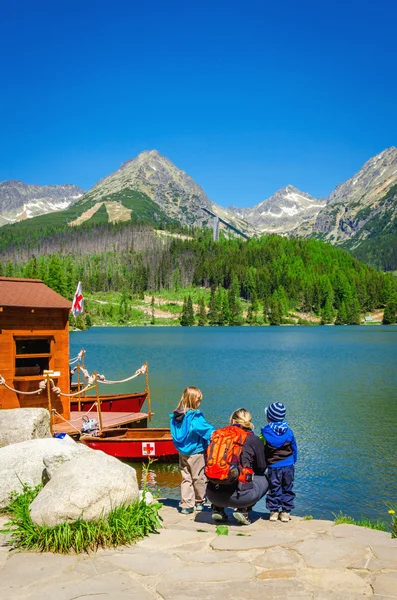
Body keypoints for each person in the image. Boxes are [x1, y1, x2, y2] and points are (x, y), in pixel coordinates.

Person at [206, 408, 268, 525]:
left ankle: (218, 508)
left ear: (232, 421)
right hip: (240, 498)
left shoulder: (219, 437)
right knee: (264, 478)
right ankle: (243, 510)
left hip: (212, 494)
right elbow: (261, 467)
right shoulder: (253, 439)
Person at [170, 386, 215, 514]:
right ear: (194, 400)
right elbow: (206, 430)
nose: (200, 403)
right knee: (198, 477)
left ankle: (186, 504)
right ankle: (200, 502)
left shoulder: (176, 416)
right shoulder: (195, 417)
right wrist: (216, 434)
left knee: (186, 478)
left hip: (182, 452)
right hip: (196, 452)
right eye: (199, 400)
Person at [260, 402, 298, 523]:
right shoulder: (289, 432)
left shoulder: (265, 432)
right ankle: (286, 512)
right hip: (288, 465)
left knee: (274, 488)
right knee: (287, 487)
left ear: (268, 417)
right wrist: (293, 460)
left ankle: (274, 512)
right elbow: (294, 448)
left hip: (273, 465)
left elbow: (262, 449)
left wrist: (263, 464)